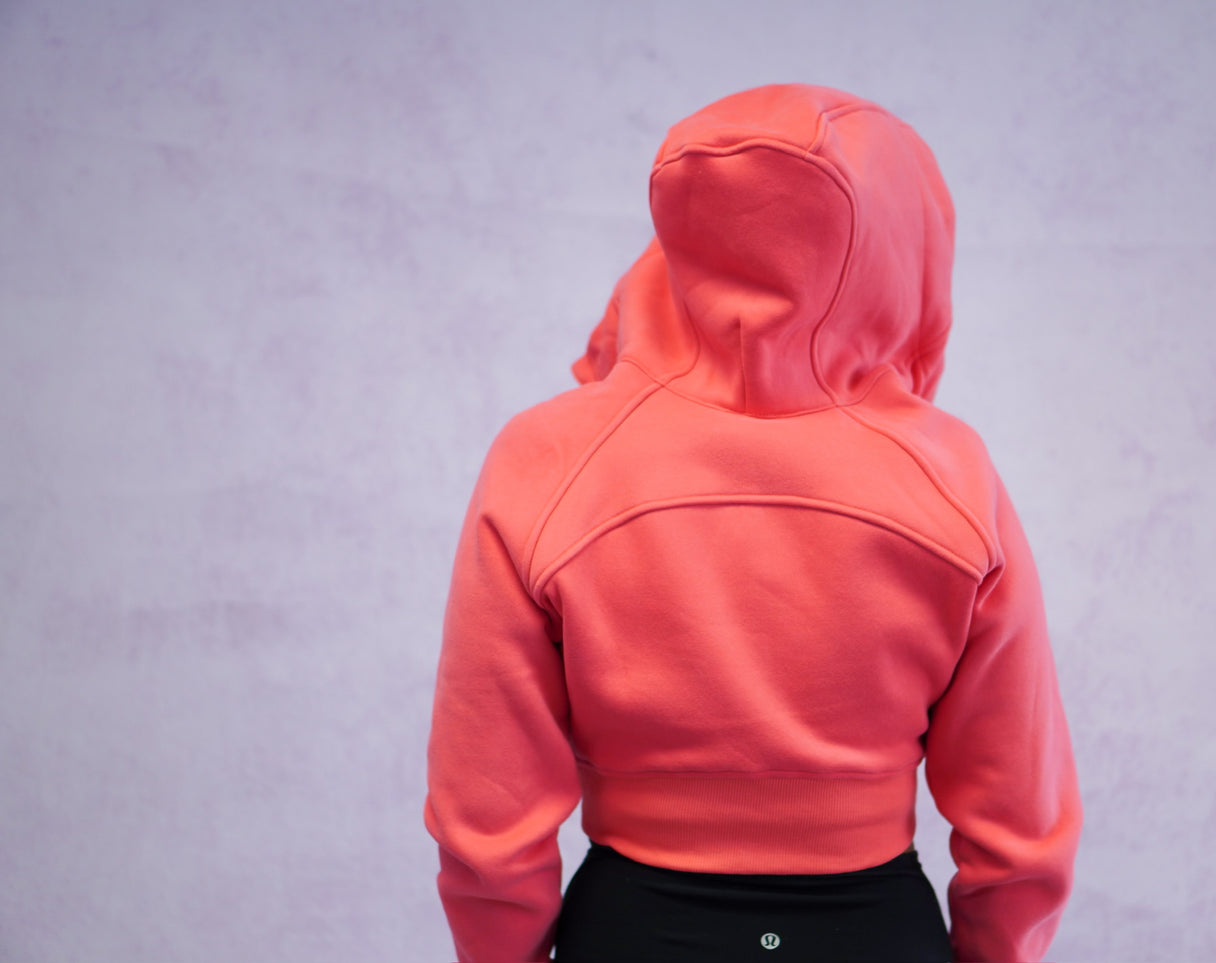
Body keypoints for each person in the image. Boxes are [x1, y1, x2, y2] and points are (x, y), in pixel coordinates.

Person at [424, 83, 1082, 963]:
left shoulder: (548, 458)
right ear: (903, 249)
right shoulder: (950, 475)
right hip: (873, 930)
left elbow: (485, 809)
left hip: (634, 925)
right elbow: (1021, 819)